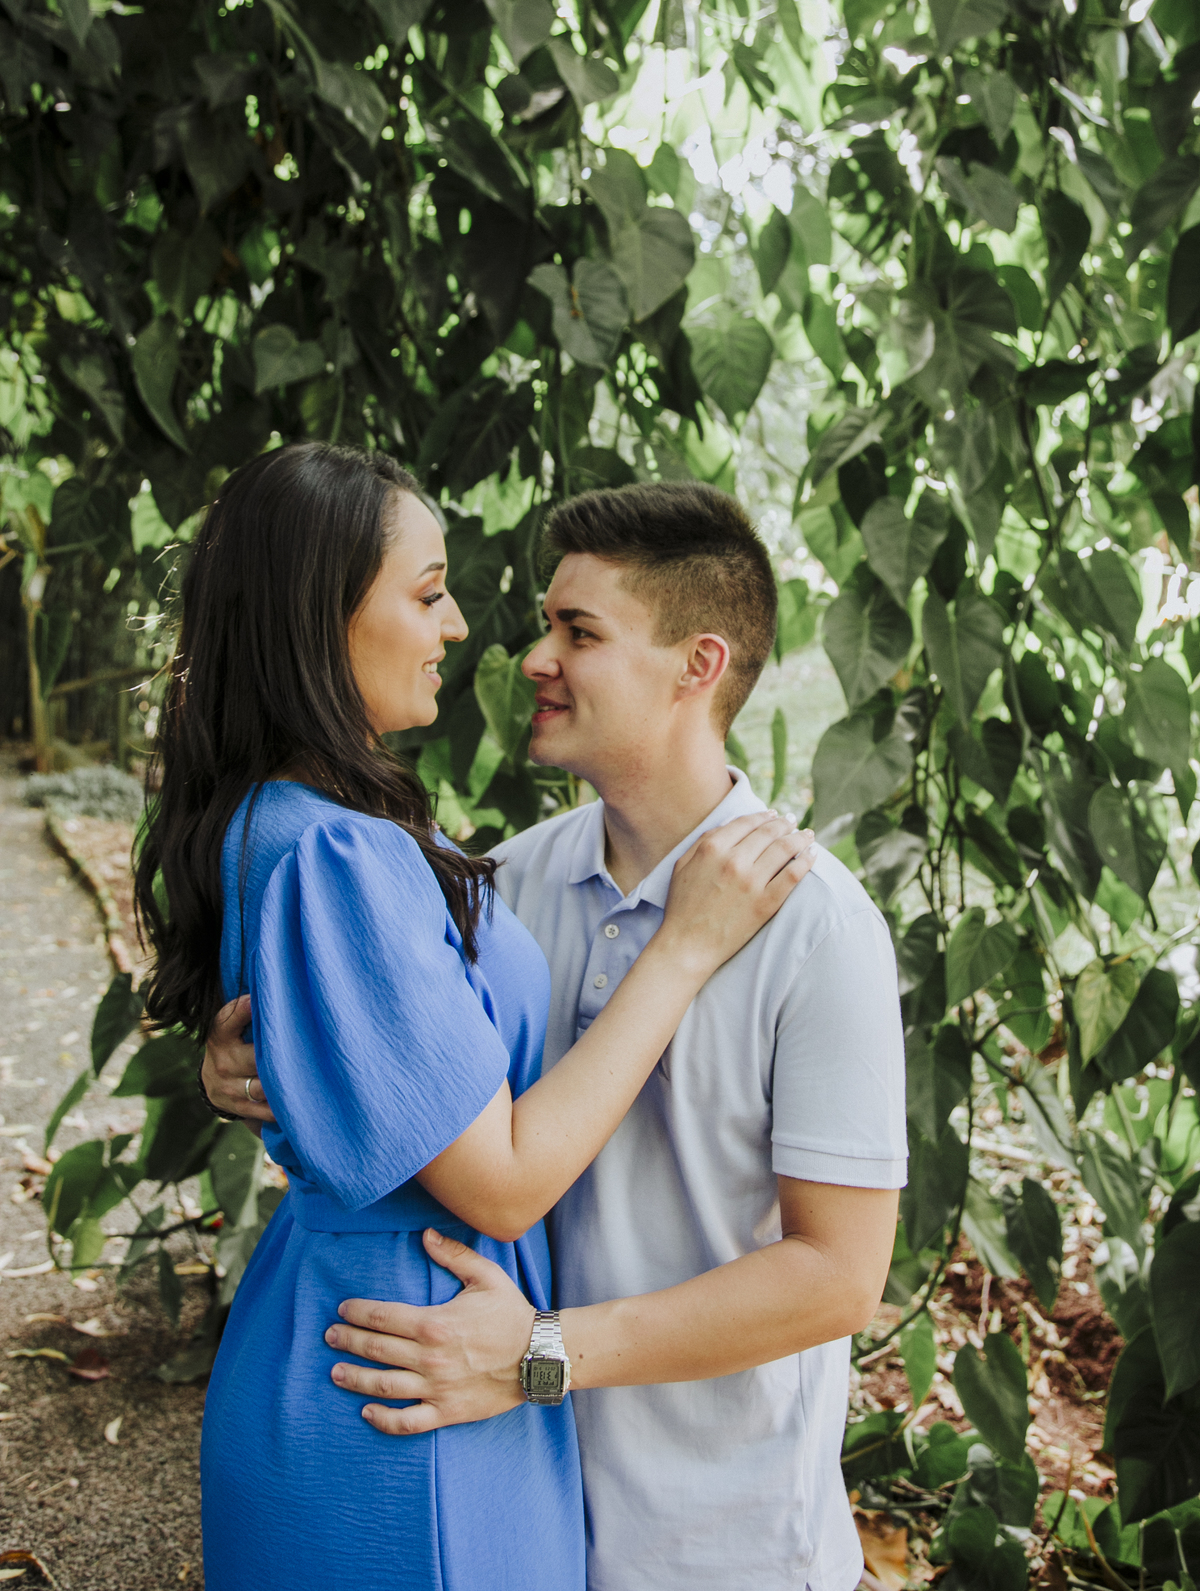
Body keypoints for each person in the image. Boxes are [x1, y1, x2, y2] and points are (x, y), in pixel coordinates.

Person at [205, 479, 907, 1591]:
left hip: (715, 1535)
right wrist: (256, 1059)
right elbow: (418, 1102)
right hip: (509, 1484)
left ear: (698, 666)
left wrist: (538, 1355)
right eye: (547, 624)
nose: (533, 657)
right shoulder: (503, 888)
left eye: (579, 632)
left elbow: (840, 1278)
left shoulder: (818, 926)